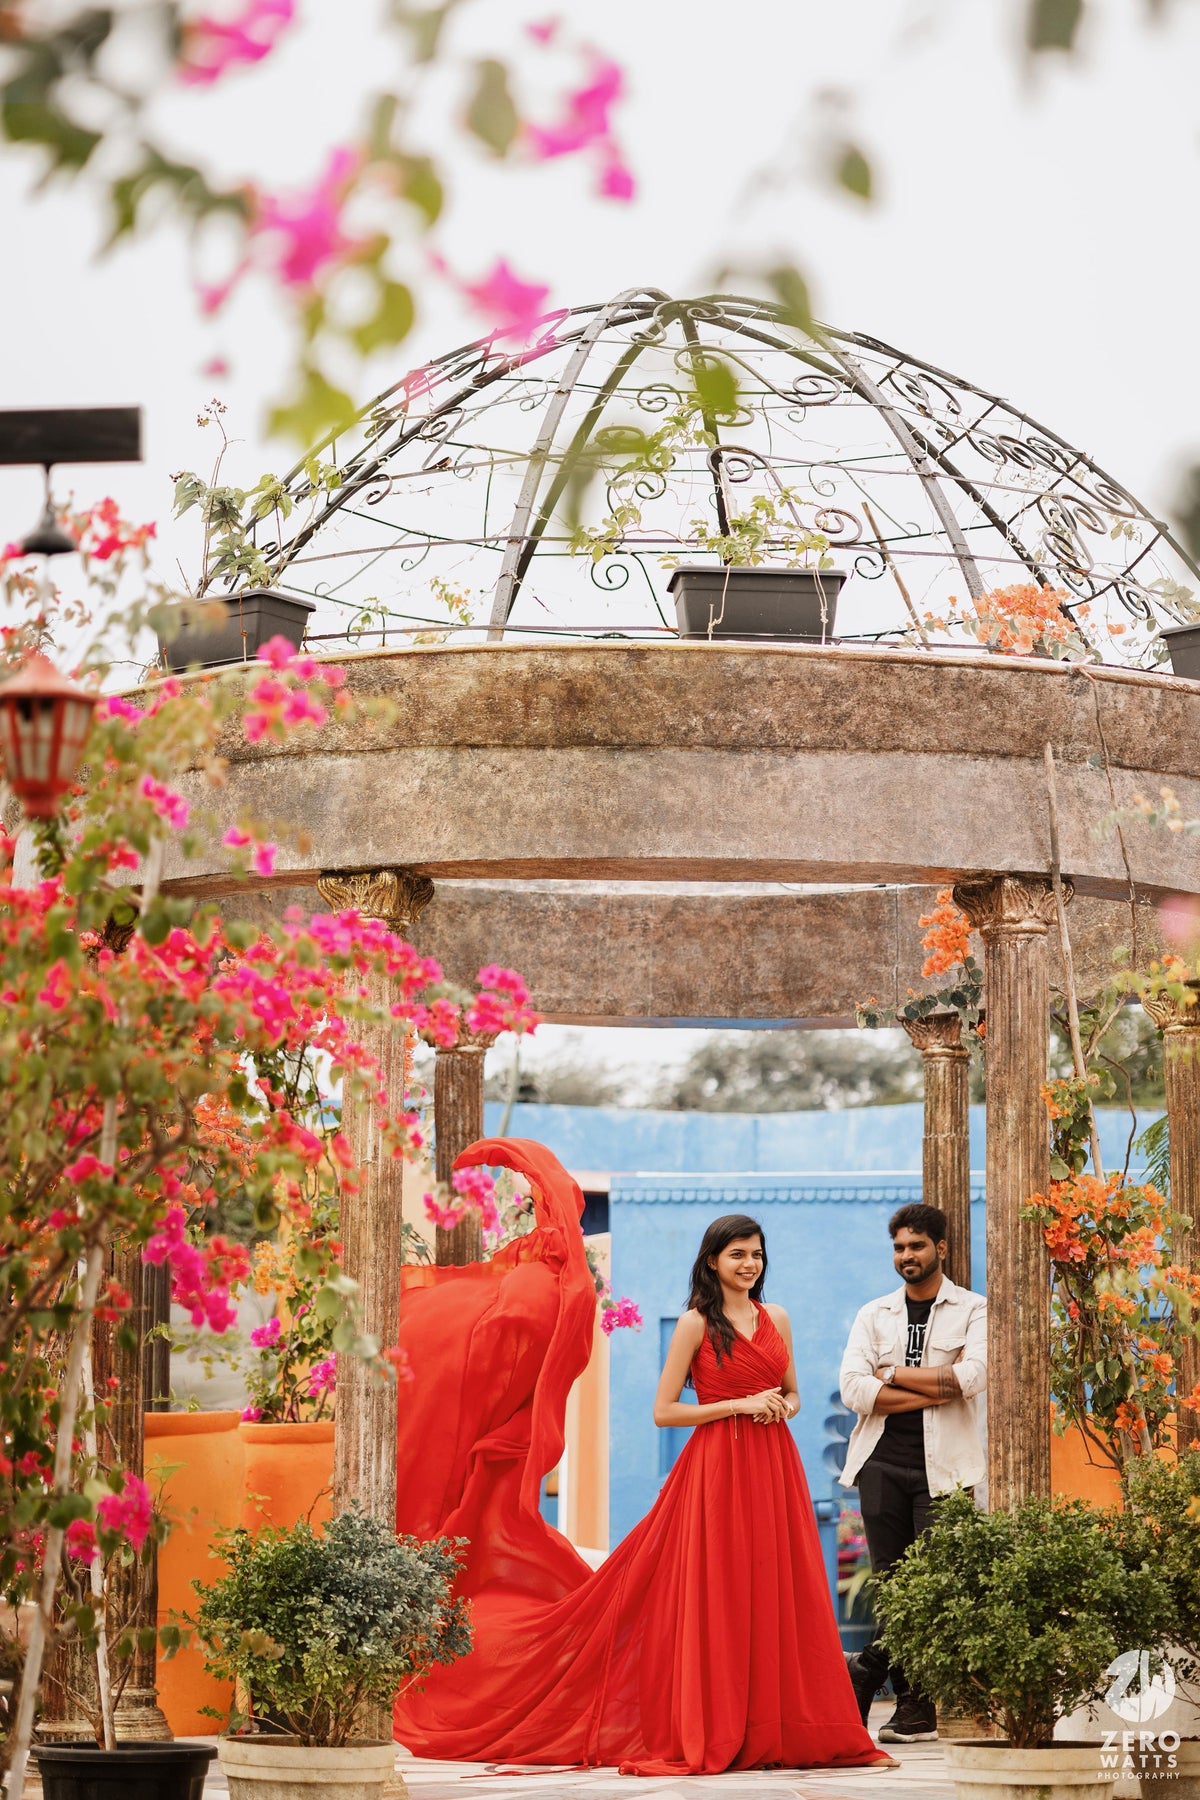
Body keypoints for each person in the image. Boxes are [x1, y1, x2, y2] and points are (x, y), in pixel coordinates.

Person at [395, 1166, 886, 1778]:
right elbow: (664, 1412)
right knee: (718, 1590)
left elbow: (792, 1395)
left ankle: (776, 1722)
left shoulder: (777, 1318)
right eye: (738, 1255)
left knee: (773, 1586)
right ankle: (714, 1720)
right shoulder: (694, 1325)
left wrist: (775, 1406)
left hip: (773, 1464)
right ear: (711, 1261)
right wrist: (737, 1404)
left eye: (757, 1255)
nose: (750, 1264)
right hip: (715, 1470)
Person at [838, 1202, 987, 1744]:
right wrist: (930, 1387)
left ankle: (867, 1667)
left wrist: (893, 1375)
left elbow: (971, 1379)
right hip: (880, 1464)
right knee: (896, 1587)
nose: (907, 1256)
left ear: (940, 1249)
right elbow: (854, 1389)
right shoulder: (873, 1314)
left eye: (917, 1246)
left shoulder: (973, 1310)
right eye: (899, 1247)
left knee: (935, 1587)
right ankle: (913, 1710)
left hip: (944, 1470)